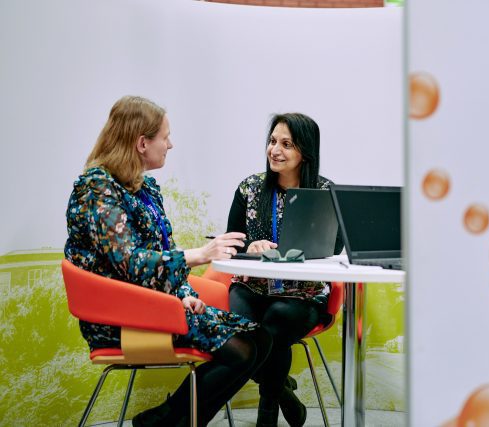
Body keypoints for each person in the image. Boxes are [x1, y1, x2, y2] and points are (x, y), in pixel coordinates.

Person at [64, 95, 272, 427]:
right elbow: (130, 263)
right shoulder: (97, 190)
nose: (170, 144)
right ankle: (171, 421)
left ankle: (164, 420)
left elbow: (160, 253)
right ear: (142, 142)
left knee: (262, 339)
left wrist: (183, 295)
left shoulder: (145, 188)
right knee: (242, 350)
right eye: (165, 136)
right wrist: (202, 255)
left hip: (158, 305)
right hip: (118, 317)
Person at [226, 113, 342, 427]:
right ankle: (284, 395)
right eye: (273, 141)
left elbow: (335, 248)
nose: (275, 150)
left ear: (305, 152)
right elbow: (231, 242)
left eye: (286, 144)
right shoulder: (249, 188)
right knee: (240, 338)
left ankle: (267, 415)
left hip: (302, 296)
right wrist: (248, 246)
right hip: (252, 287)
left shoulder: (324, 191)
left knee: (276, 320)